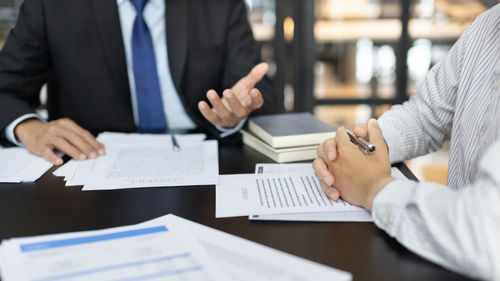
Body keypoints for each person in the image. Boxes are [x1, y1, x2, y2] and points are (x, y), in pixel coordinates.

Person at [313, 4, 499, 280]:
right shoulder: (488, 27)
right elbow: (427, 114)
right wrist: (361, 148)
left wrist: (375, 188)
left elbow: (486, 231)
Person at [0, 0, 275, 165]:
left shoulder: (221, 5)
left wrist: (235, 114)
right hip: (89, 161)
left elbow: (259, 90)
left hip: (208, 154)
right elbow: (5, 86)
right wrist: (29, 128)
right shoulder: (51, 6)